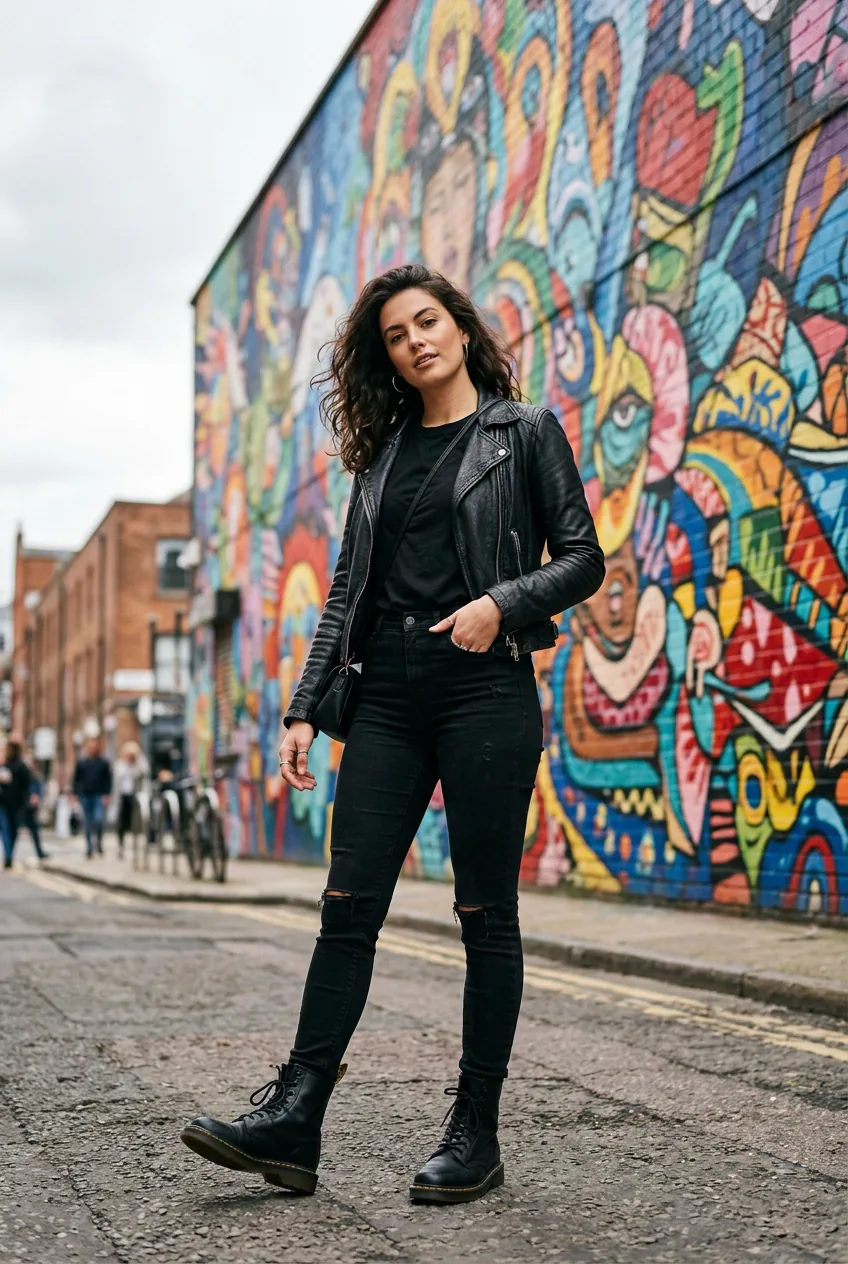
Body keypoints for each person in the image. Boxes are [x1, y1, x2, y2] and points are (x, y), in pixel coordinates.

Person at [181, 263, 604, 1203]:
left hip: (483, 687)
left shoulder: (523, 432)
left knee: (484, 914)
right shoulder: (383, 459)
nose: (416, 342)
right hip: (384, 694)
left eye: (427, 322)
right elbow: (346, 593)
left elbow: (583, 559)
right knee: (347, 905)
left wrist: (502, 602)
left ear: (458, 325)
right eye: (396, 338)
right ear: (392, 363)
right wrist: (303, 705)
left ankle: (475, 1131)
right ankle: (294, 1117)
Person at [72, 738, 112, 858]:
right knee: (87, 822)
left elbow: (108, 780)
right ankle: (89, 848)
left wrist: (107, 794)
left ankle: (99, 843)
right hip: (85, 795)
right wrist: (74, 794)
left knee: (98, 820)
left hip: (98, 795)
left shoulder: (103, 763)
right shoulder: (82, 762)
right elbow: (76, 779)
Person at [0, 740, 36, 869]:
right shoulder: (21, 766)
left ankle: (9, 855)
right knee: (9, 830)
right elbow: (29, 784)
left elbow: (28, 784)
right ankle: (9, 855)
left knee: (8, 830)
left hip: (8, 803)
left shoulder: (9, 767)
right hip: (12, 804)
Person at [109, 741, 149, 857]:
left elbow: (145, 775)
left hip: (136, 797)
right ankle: (121, 847)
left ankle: (137, 847)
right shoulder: (120, 765)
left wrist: (136, 763)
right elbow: (115, 785)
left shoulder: (140, 764)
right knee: (121, 824)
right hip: (122, 797)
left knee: (136, 823)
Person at [17, 751, 48, 861]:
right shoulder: (22, 774)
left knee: (34, 830)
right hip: (21, 806)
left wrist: (37, 797)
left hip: (30, 807)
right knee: (13, 831)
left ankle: (39, 851)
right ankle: (9, 854)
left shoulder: (36, 776)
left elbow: (40, 789)